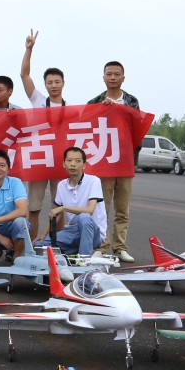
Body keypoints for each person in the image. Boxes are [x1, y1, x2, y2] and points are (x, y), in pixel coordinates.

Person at [88, 60, 140, 263]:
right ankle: (101, 246)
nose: (112, 77)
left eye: (116, 74)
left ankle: (120, 248)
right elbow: (87, 129)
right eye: (109, 74)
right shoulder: (95, 102)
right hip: (103, 162)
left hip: (125, 162)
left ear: (123, 78)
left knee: (122, 208)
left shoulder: (131, 101)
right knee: (101, 208)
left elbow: (137, 132)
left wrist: (134, 160)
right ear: (103, 77)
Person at [20, 29, 67, 236]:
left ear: (63, 83)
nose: (54, 85)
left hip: (60, 162)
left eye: (57, 82)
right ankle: (32, 244)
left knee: (59, 207)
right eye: (50, 82)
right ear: (45, 84)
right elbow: (24, 75)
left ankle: (53, 243)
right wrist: (29, 49)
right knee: (34, 207)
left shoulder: (70, 108)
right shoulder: (38, 100)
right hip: (39, 159)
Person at [43, 147, 106, 260]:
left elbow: (90, 210)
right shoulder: (61, 185)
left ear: (84, 165)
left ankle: (84, 261)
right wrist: (42, 235)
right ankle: (70, 255)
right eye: (69, 160)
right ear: (64, 164)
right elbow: (56, 215)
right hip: (73, 231)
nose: (73, 164)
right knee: (41, 245)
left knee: (84, 218)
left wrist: (63, 208)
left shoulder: (93, 181)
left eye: (77, 161)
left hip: (93, 232)